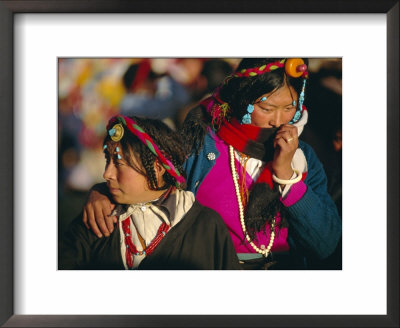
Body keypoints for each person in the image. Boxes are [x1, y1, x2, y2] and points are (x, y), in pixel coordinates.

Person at [83, 58, 342, 270]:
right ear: (243, 98)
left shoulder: (301, 157)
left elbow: (325, 243)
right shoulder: (201, 144)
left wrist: (287, 177)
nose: (278, 120)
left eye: (289, 108)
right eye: (267, 107)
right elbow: (146, 176)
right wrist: (103, 194)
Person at [59, 115, 240, 270]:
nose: (107, 174)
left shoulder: (206, 226)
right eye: (108, 160)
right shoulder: (98, 220)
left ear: (157, 168)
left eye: (119, 163)